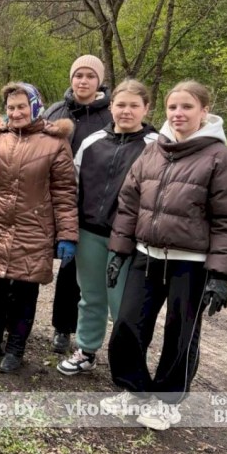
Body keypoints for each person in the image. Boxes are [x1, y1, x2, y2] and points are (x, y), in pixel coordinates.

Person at [102, 80, 227, 430]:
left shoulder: (222, 158)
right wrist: (119, 252)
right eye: (173, 107)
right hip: (146, 255)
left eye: (187, 107)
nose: (179, 114)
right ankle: (133, 389)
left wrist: (221, 275)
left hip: (191, 263)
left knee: (181, 332)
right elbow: (129, 204)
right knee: (127, 324)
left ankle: (167, 401)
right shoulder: (153, 151)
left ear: (204, 111)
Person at [0, 82, 78, 373]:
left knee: (24, 291)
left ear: (34, 106)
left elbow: (65, 193)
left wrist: (68, 234)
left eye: (21, 106)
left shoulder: (55, 143)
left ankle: (16, 348)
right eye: (11, 108)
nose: (16, 112)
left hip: (34, 230)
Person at [57, 80, 158, 376]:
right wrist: (69, 230)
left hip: (128, 239)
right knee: (90, 296)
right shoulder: (91, 143)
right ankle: (86, 350)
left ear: (146, 109)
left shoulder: (155, 146)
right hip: (89, 233)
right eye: (121, 105)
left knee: (123, 305)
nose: (126, 111)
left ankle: (125, 360)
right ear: (111, 106)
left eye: (133, 106)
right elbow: (72, 188)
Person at [44, 54, 112, 353]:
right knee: (29, 259)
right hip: (49, 200)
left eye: (89, 76)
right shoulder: (56, 111)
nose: (83, 81)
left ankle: (63, 327)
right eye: (78, 75)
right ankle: (8, 318)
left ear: (99, 81)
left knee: (72, 271)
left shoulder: (110, 115)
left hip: (86, 204)